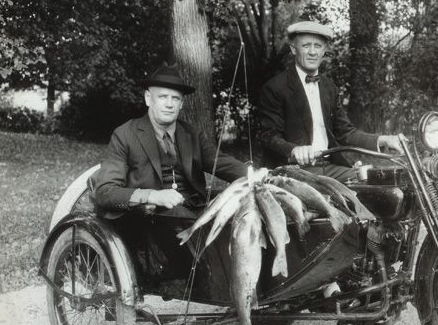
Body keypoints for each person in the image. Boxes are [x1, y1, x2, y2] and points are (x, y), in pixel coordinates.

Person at [93, 64, 247, 282]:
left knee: (241, 205)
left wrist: (257, 175)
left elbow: (221, 163)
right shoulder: (125, 135)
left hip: (194, 208)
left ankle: (239, 278)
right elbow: (105, 192)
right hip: (151, 219)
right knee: (181, 219)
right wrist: (152, 195)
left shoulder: (191, 134)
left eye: (175, 98)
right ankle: (205, 278)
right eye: (162, 97)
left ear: (182, 103)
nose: (169, 104)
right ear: (148, 98)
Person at [259, 20, 402, 182]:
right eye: (306, 46)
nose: (312, 52)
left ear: (324, 50)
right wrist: (294, 150)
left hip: (330, 167)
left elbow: (345, 132)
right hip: (293, 171)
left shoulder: (329, 87)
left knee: (377, 185)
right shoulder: (275, 87)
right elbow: (269, 136)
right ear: (293, 49)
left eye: (318, 46)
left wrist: (383, 140)